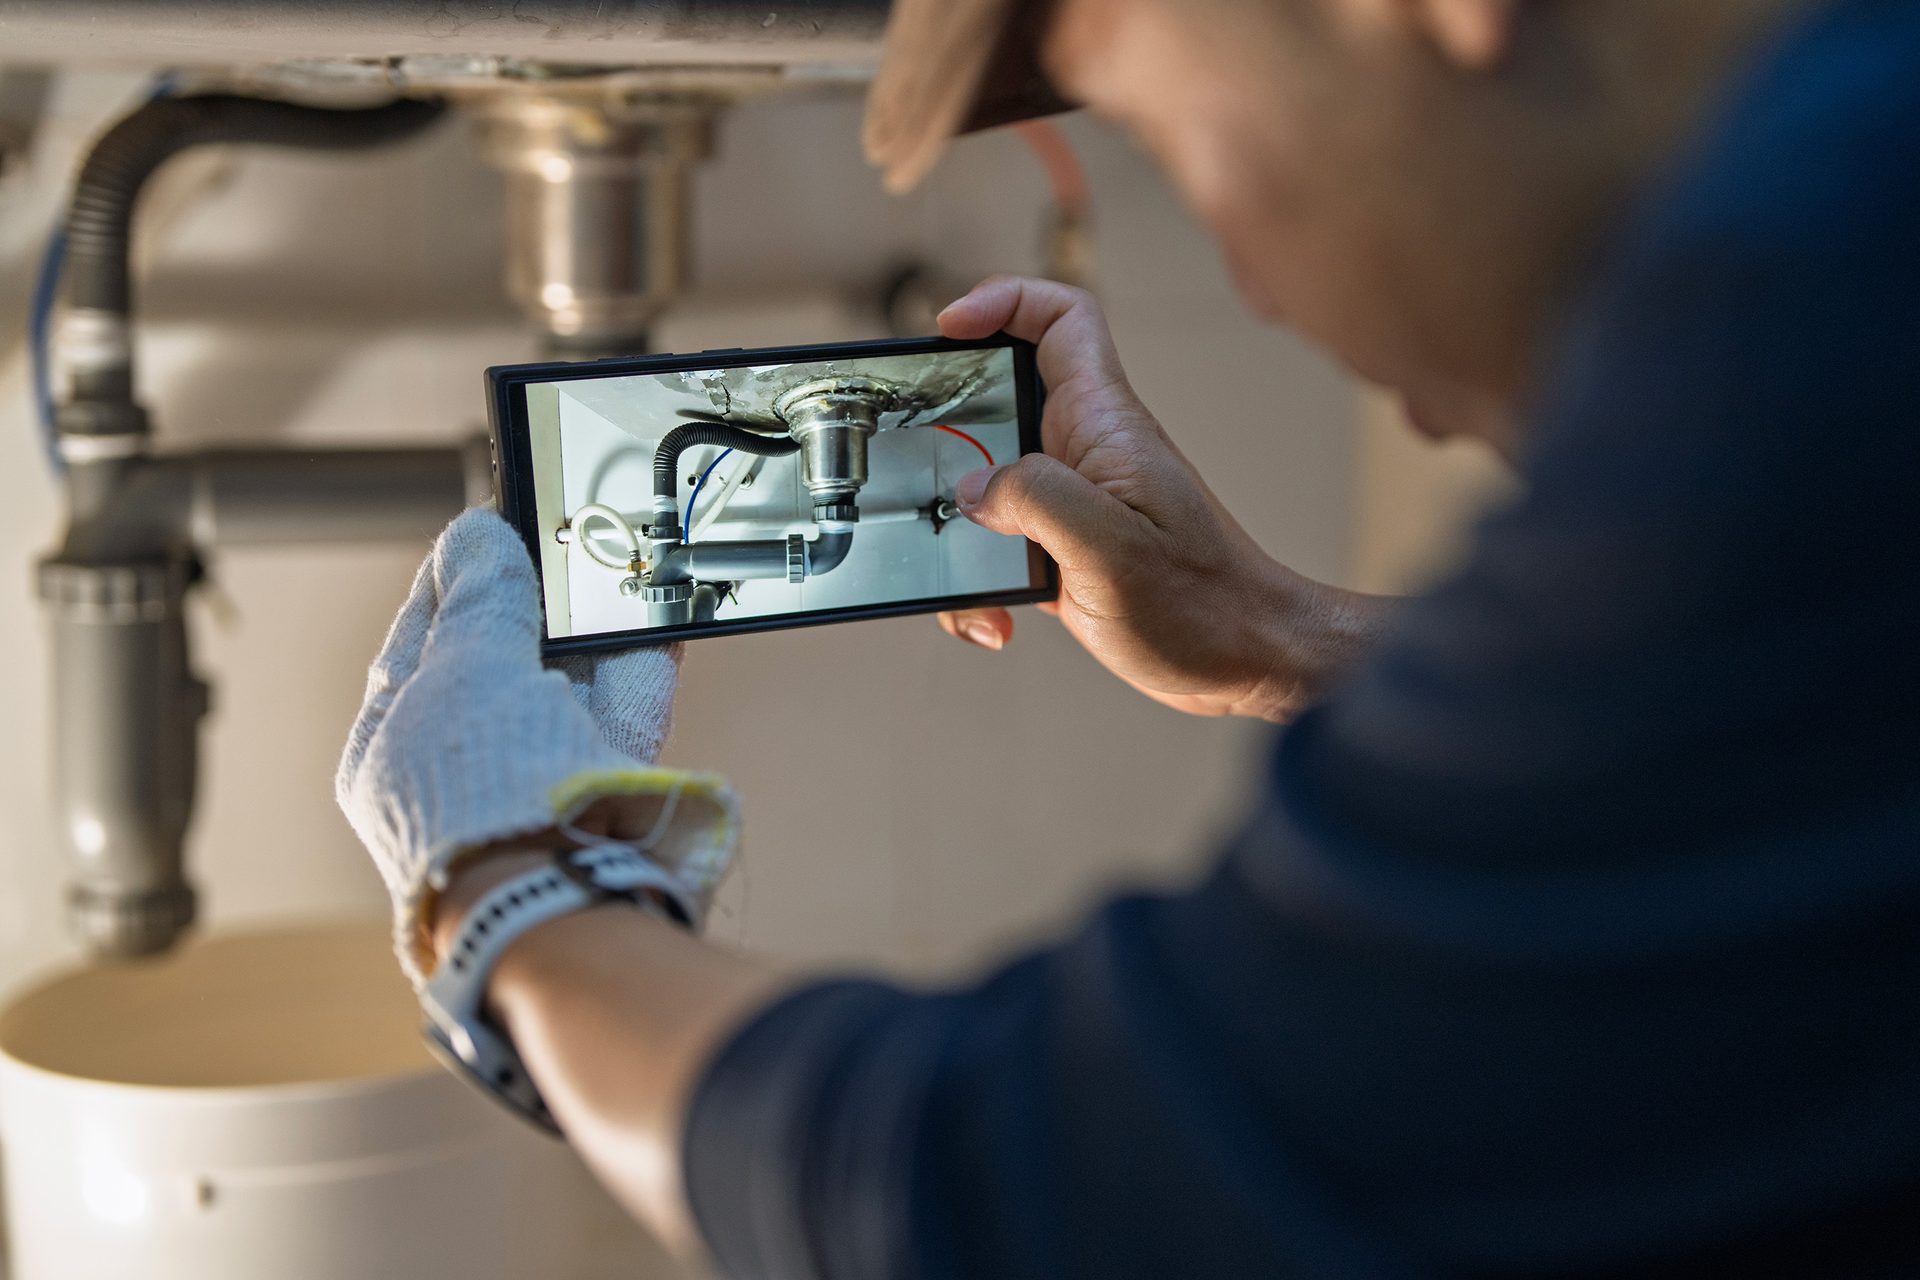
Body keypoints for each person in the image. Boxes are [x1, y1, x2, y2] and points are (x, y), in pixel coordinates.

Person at [336, 0, 1920, 1273]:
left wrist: (511, 892)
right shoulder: (1853, 186)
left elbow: (1026, 1193)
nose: (1257, 288)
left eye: (1180, 135)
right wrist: (1276, 631)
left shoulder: (1800, 323)